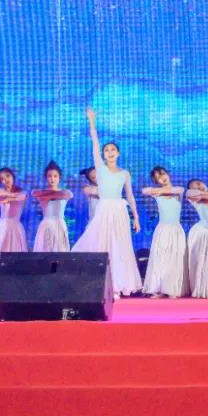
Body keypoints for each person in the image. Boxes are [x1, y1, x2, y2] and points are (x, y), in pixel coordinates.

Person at [71, 108, 143, 297]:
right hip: (104, 209)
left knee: (120, 246)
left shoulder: (124, 173)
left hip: (119, 210)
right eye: (106, 150)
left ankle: (118, 284)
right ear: (103, 155)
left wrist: (136, 217)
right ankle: (101, 284)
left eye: (113, 150)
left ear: (118, 153)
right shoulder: (101, 168)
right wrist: (92, 122)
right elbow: (95, 143)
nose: (109, 152)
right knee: (102, 243)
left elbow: (130, 196)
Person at [141, 166, 189, 298]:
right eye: (158, 178)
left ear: (168, 174)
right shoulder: (157, 193)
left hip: (175, 229)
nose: (162, 178)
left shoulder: (178, 190)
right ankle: (160, 289)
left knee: (174, 259)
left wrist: (158, 191)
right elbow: (145, 191)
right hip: (162, 229)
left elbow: (178, 190)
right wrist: (158, 191)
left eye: (162, 174)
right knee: (160, 259)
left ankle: (172, 289)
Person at [0, 167, 27, 293]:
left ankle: (17, 285)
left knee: (16, 255)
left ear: (12, 176)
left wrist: (11, 198)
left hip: (15, 227)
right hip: (2, 227)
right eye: (2, 179)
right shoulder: (1, 192)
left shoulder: (22, 193)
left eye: (7, 176)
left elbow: (21, 197)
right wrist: (6, 194)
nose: (5, 180)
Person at [32, 161, 73, 253]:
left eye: (55, 176)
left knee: (60, 252)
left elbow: (68, 195)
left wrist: (49, 195)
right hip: (46, 224)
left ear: (59, 178)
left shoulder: (66, 193)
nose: (52, 179)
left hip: (60, 225)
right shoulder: (40, 193)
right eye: (49, 176)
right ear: (46, 178)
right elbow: (34, 194)